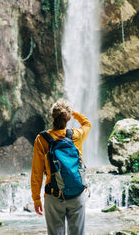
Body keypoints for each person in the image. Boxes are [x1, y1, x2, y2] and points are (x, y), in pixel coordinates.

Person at [31, 98, 91, 235]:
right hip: (77, 194)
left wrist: (36, 199)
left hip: (53, 196)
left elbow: (37, 172)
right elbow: (87, 123)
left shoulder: (42, 139)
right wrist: (72, 113)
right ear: (68, 118)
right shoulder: (77, 135)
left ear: (52, 117)